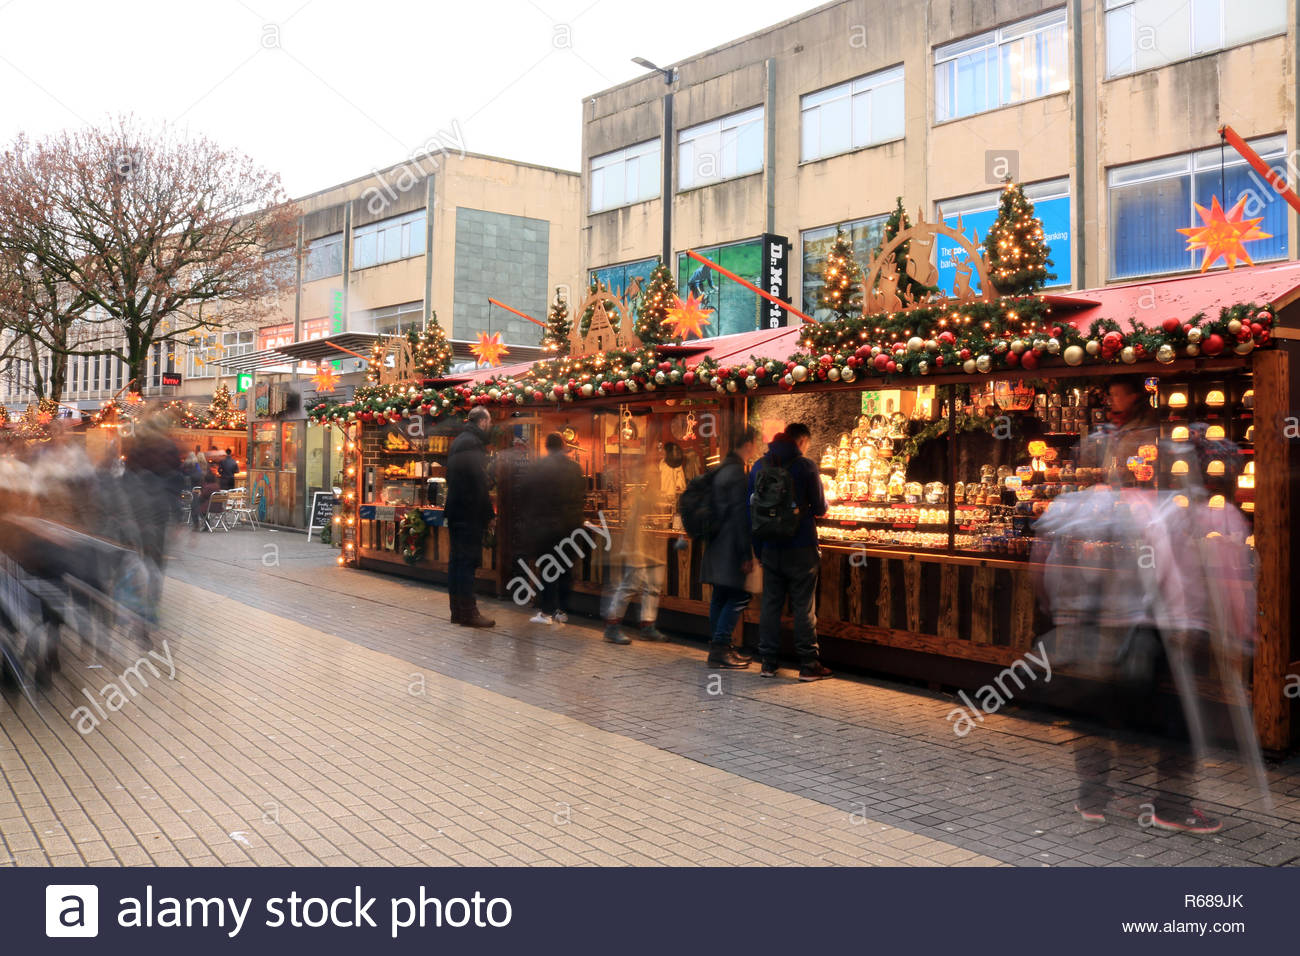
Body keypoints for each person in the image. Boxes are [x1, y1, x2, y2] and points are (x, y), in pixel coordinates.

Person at [749, 423, 831, 681]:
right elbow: (819, 507)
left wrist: (758, 549)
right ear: (802, 441)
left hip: (770, 545)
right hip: (801, 546)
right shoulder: (805, 466)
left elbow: (751, 508)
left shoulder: (759, 466)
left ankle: (768, 663)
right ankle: (808, 664)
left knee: (771, 604)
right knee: (803, 606)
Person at [700, 426, 757, 668]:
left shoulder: (721, 469)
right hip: (731, 547)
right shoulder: (737, 474)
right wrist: (746, 554)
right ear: (748, 444)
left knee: (721, 596)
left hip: (716, 544)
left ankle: (718, 646)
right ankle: (721, 649)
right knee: (739, 595)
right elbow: (740, 517)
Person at [523, 432, 586, 626]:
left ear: (547, 446)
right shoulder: (575, 468)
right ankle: (562, 611)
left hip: (546, 528)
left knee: (548, 569)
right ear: (563, 446)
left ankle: (546, 612)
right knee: (566, 569)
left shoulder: (538, 467)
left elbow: (527, 496)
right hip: (570, 526)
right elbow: (580, 496)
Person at [602, 458, 667, 645]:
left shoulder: (649, 495)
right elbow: (635, 525)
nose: (657, 475)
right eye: (654, 473)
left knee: (651, 587)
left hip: (649, 548)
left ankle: (647, 626)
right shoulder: (640, 496)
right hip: (638, 548)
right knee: (630, 585)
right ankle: (612, 627)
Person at [444, 406, 496, 628]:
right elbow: (478, 484)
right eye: (490, 422)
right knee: (467, 562)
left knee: (457, 562)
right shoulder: (473, 444)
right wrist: (488, 514)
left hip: (456, 510)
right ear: (483, 422)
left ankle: (457, 611)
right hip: (468, 513)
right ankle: (469, 613)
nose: (491, 426)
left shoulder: (459, 441)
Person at [1080, 375, 1159, 478]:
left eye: (1116, 395)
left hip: (1134, 489)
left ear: (1132, 397)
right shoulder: (1114, 425)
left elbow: (1151, 464)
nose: (1111, 400)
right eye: (1111, 395)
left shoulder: (1145, 426)